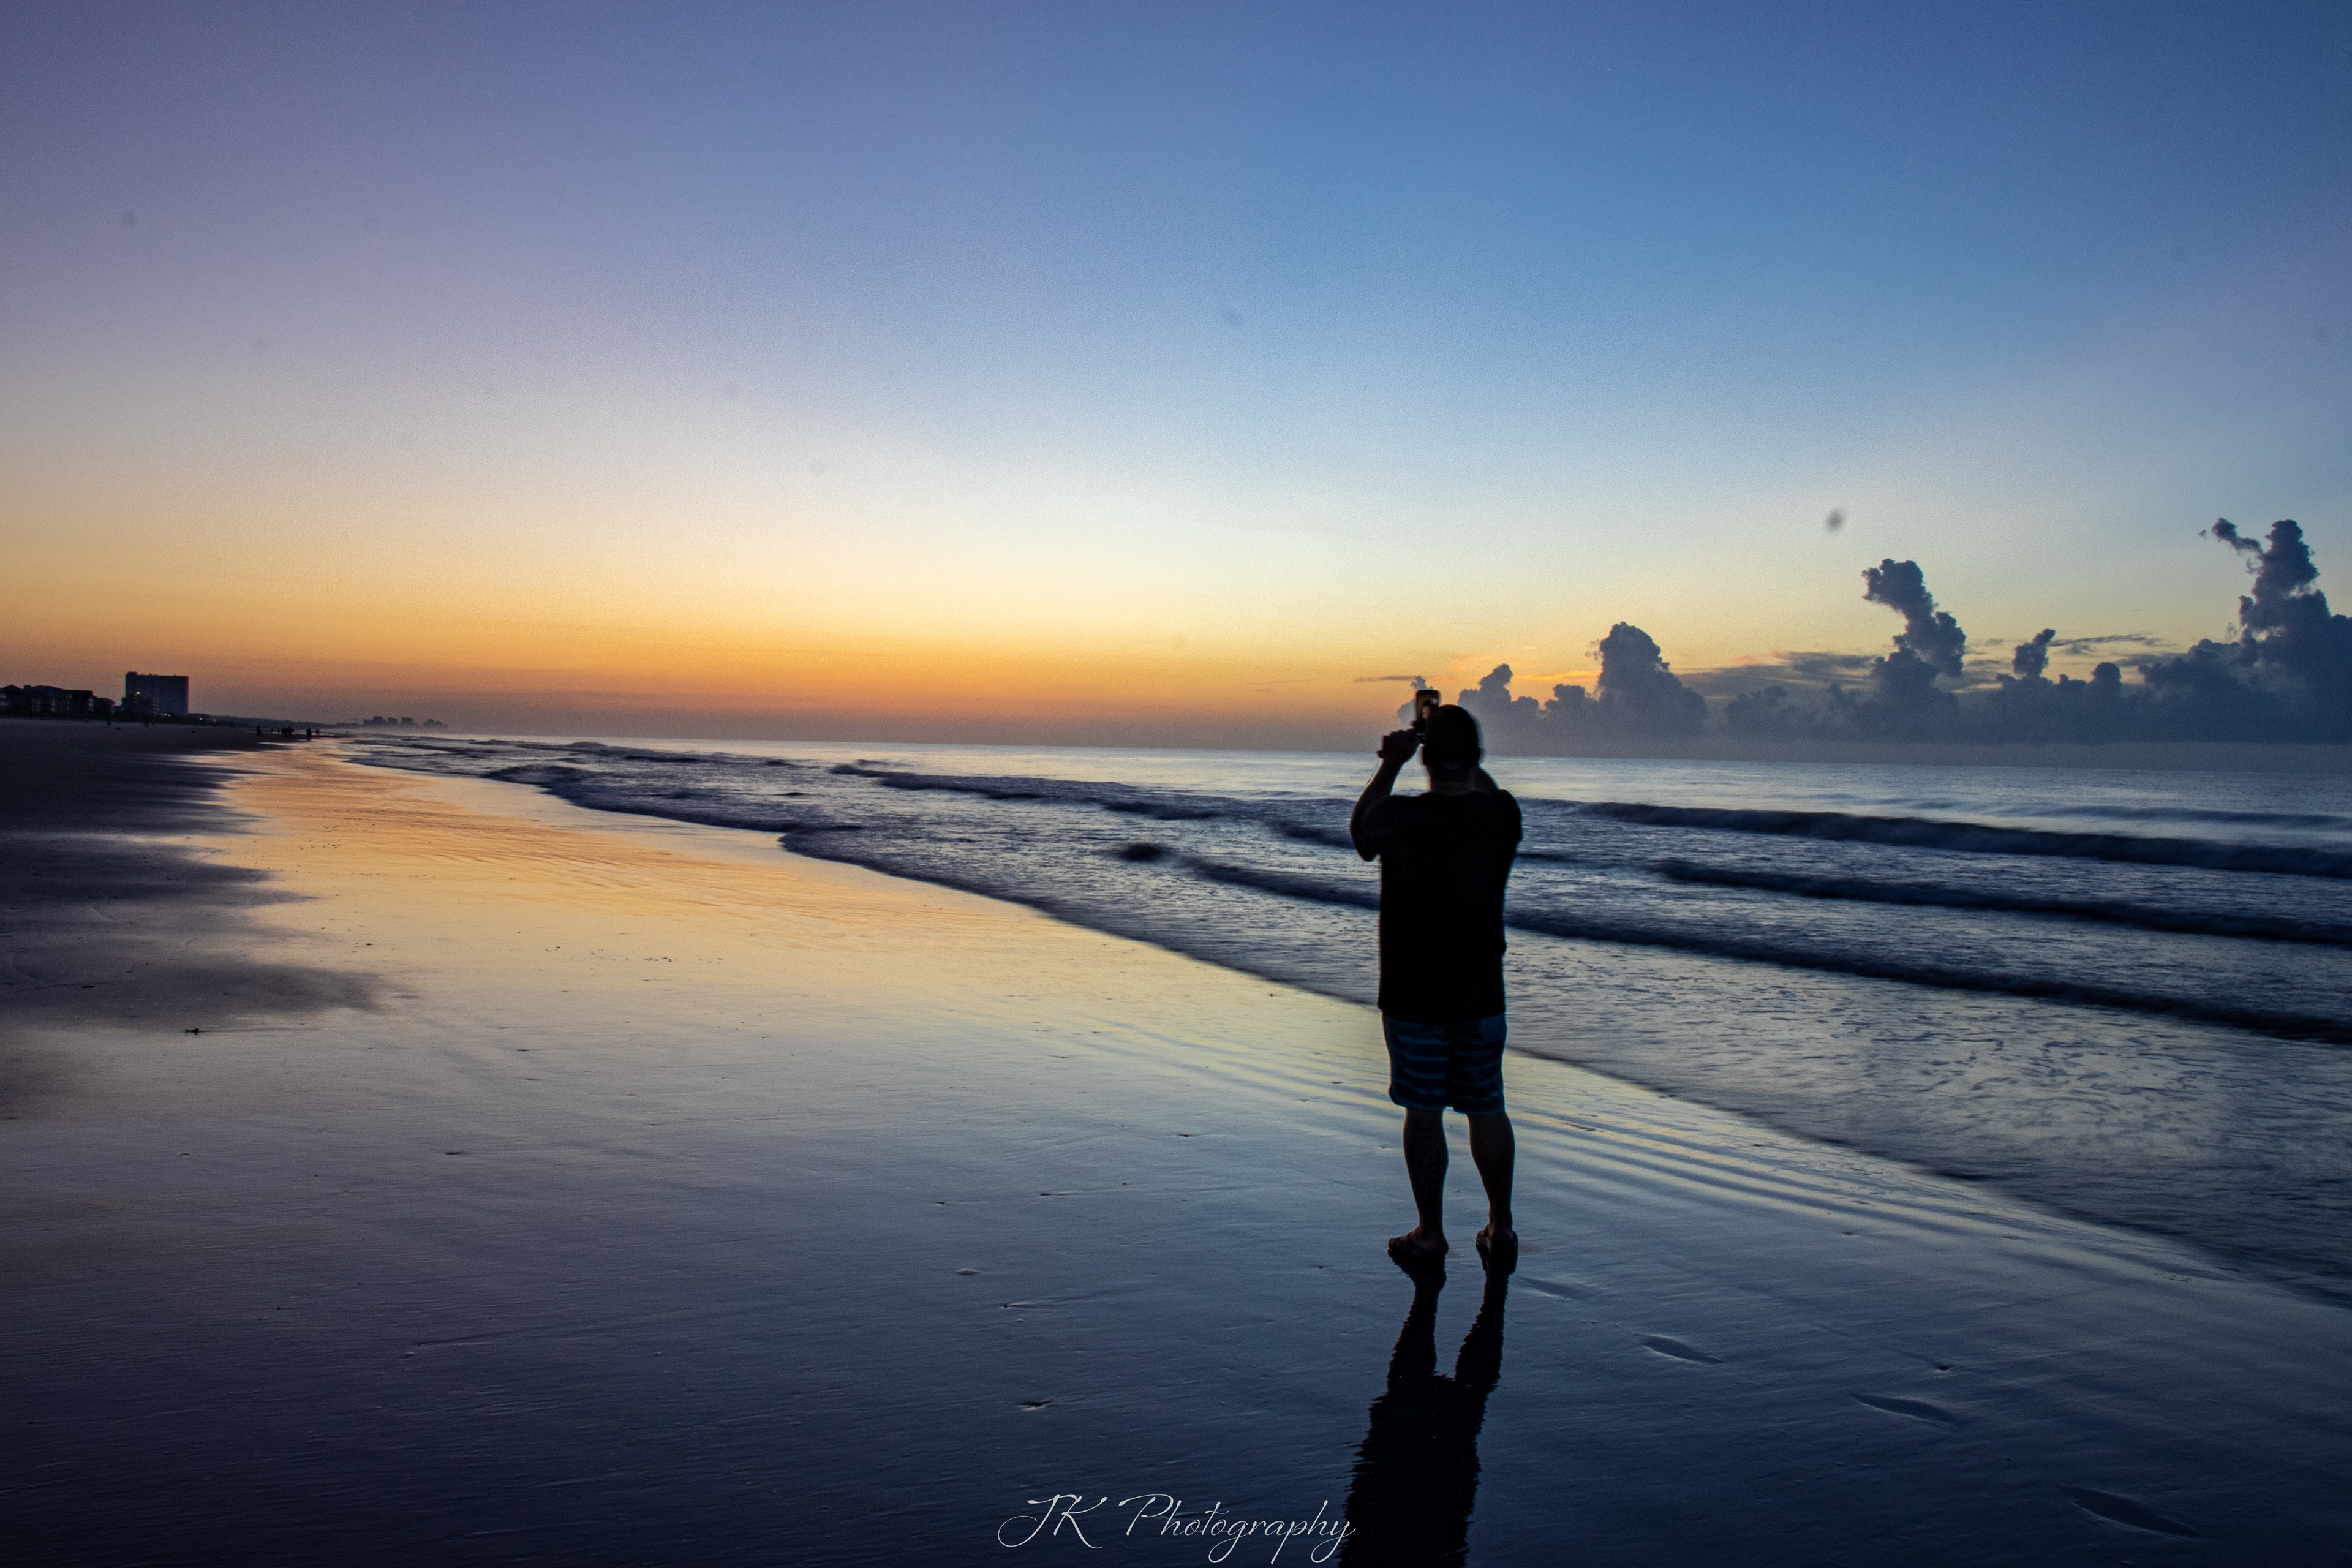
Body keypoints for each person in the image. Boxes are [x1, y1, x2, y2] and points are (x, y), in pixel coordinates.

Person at [1348, 704, 1522, 1270]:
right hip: (1480, 991)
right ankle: (1501, 1227)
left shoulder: (1400, 816)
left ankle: (1431, 1233)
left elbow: (1361, 832)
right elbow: (1482, 788)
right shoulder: (1500, 814)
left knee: (1423, 1112)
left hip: (1414, 993)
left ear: (1424, 756)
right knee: (1487, 1107)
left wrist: (1391, 764)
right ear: (1476, 759)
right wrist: (1457, 758)